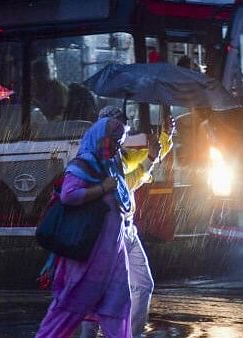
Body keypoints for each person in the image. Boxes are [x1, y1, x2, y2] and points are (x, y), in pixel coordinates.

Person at [80, 106, 174, 338]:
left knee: (142, 285)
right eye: (117, 126)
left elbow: (145, 159)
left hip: (128, 231)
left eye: (122, 126)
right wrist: (150, 158)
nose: (122, 132)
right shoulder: (93, 160)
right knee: (101, 292)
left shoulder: (119, 155)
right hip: (108, 234)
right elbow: (127, 183)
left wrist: (165, 137)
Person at [35, 117, 132, 338]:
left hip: (114, 252)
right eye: (111, 141)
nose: (114, 147)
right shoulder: (84, 163)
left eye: (118, 142)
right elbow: (69, 196)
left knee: (118, 303)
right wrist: (101, 188)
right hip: (90, 253)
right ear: (99, 137)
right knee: (72, 305)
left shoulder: (112, 165)